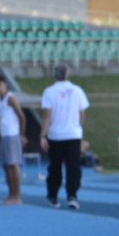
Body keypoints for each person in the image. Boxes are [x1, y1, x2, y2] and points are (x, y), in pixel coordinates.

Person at [39, 63, 89, 209]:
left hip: (56, 135)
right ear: (67, 74)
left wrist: (43, 135)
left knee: (55, 167)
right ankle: (72, 195)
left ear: (54, 74)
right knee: (73, 167)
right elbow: (82, 113)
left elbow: (47, 115)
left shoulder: (49, 91)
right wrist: (78, 127)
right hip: (73, 134)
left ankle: (53, 195)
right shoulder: (77, 90)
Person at [0, 74, 27, 205]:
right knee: (6, 166)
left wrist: (21, 135)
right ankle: (11, 194)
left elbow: (21, 117)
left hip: (12, 135)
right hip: (4, 136)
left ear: (5, 85)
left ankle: (17, 196)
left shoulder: (10, 98)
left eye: (0, 84)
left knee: (13, 165)